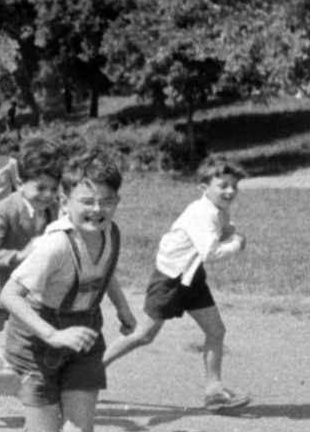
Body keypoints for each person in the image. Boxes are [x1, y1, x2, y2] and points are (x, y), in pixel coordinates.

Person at [0, 151, 137, 432]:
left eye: (107, 200)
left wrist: (123, 309)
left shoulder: (112, 235)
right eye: (87, 200)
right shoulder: (55, 245)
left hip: (84, 338)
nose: (97, 210)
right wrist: (53, 334)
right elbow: (10, 296)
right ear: (67, 199)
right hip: (38, 340)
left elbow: (102, 272)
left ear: (116, 203)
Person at [103, 157, 251, 411]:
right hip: (170, 280)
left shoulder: (216, 209)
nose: (229, 191)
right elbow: (210, 253)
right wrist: (237, 243)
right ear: (204, 187)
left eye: (234, 186)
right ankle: (92, 369)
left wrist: (229, 231)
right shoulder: (202, 213)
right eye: (223, 185)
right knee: (143, 335)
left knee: (216, 331)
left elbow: (220, 229)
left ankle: (214, 390)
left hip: (192, 278)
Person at [0, 142, 62, 333]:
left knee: (19, 350)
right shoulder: (4, 211)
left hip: (26, 297)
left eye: (54, 189)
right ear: (20, 184)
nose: (48, 195)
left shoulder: (53, 210)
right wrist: (21, 255)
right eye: (41, 188)